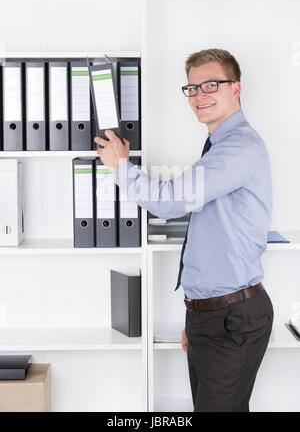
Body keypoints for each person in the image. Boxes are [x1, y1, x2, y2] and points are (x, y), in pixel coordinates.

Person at [94, 48, 274, 412]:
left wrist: (121, 168)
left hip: (231, 319)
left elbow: (168, 202)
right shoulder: (219, 145)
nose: (199, 95)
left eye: (211, 84)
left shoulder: (237, 148)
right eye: (192, 88)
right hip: (214, 316)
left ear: (235, 88)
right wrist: (197, 317)